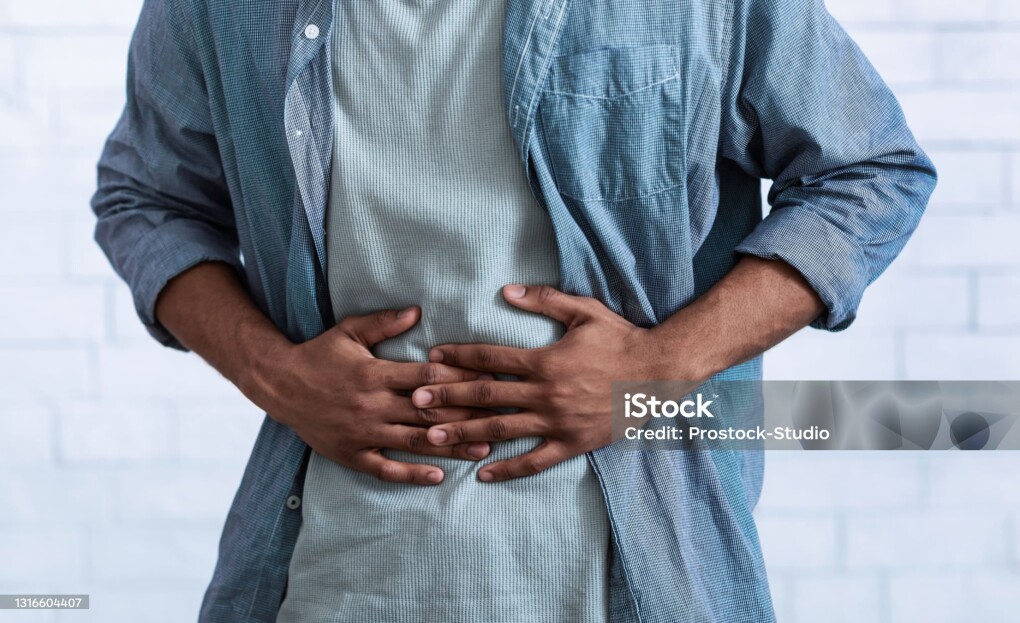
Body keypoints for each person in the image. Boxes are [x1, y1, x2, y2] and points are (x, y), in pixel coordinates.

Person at [91, 0, 936, 621]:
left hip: (639, 579)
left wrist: (655, 365)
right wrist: (274, 372)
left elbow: (868, 172)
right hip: (331, 579)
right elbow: (147, 200)